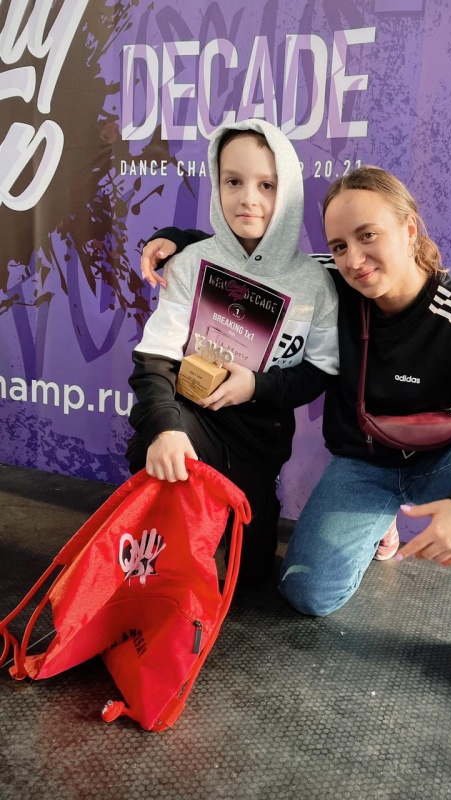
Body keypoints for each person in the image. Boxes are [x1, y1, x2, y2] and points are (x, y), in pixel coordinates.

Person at [140, 166, 451, 724]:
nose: (354, 259)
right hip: (364, 467)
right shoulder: (328, 281)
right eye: (340, 245)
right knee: (306, 595)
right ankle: (378, 525)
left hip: (444, 463)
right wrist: (181, 240)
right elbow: (258, 262)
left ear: (409, 229)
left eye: (369, 236)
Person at [127, 119, 339, 585]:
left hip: (259, 439)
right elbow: (153, 358)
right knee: (154, 438)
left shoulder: (315, 284)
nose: (248, 199)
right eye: (233, 182)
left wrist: (257, 386)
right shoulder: (189, 262)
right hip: (194, 419)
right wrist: (165, 428)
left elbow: (319, 372)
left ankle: (245, 523)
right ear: (217, 183)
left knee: (247, 580)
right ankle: (158, 548)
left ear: (289, 191)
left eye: (267, 185)